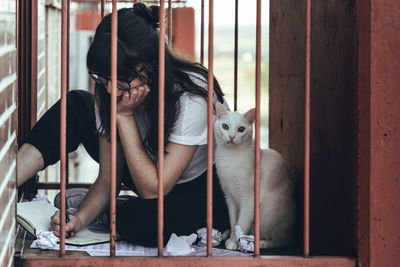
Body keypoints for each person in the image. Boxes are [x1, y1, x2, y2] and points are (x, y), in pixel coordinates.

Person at [17, 3, 230, 246]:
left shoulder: (192, 95)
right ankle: (7, 182)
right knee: (75, 104)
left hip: (199, 191)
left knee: (139, 220)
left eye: (121, 80)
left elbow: (154, 190)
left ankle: (115, 210)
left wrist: (124, 116)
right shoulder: (110, 87)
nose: (109, 88)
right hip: (146, 172)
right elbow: (109, 178)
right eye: (103, 78)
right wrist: (79, 219)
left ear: (151, 66)